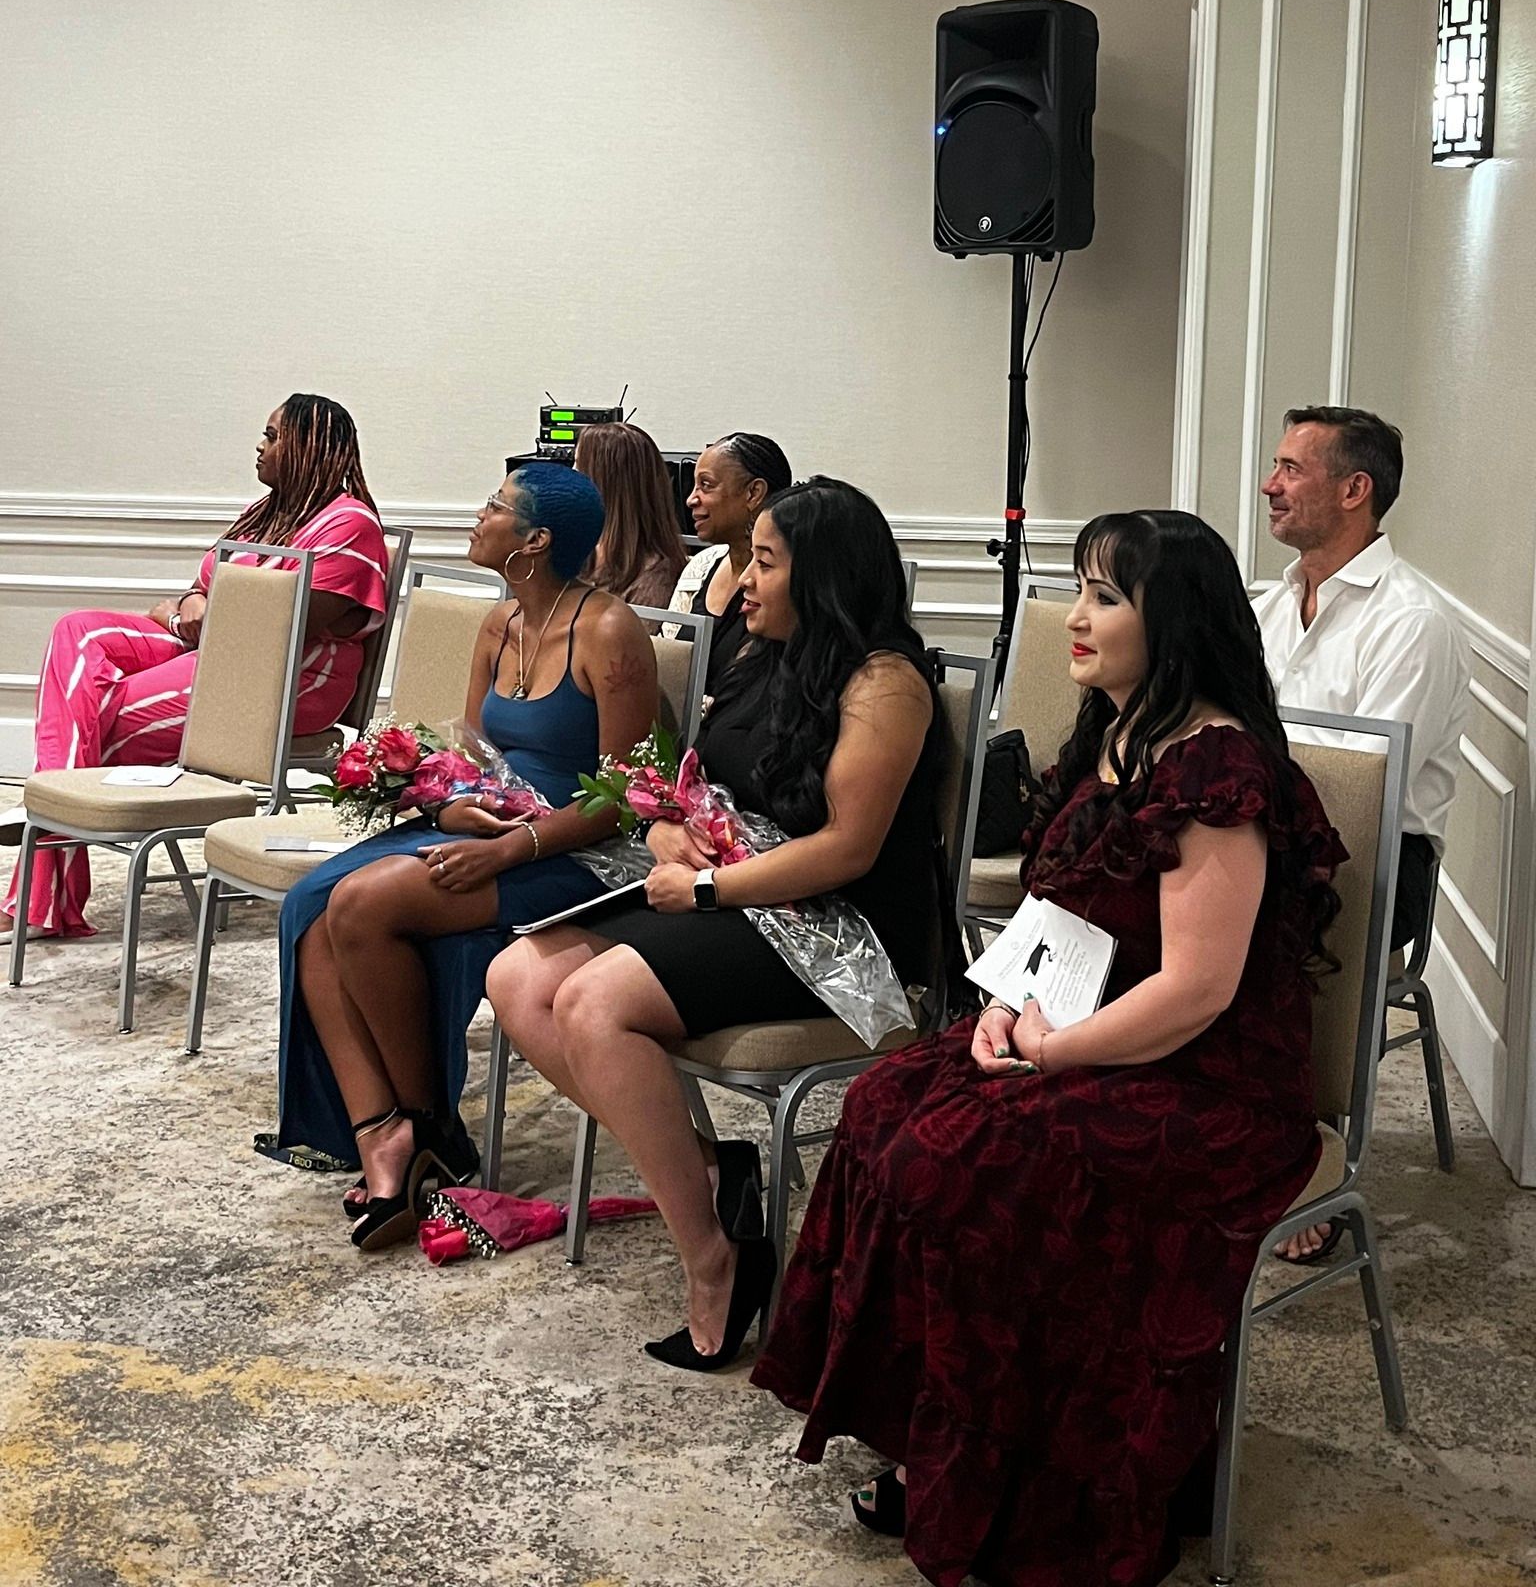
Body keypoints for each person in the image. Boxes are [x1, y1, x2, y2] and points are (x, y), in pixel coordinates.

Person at [752, 509, 1347, 1587]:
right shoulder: (1116, 735)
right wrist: (1001, 1007)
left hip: (1208, 1081)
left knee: (965, 1168)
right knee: (886, 1105)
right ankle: (939, 1443)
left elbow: (1199, 989)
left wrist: (1057, 1050)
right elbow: (1057, 920)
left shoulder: (1218, 767)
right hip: (1089, 1027)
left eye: (1106, 597)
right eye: (1080, 588)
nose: (1075, 617)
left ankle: (1029, 1487)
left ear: (1176, 621)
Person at [489, 476, 944, 1370]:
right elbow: (695, 783)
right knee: (517, 980)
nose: (747, 583)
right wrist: (664, 828)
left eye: (767, 564)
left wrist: (705, 892)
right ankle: (709, 1171)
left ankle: (714, 1256)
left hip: (832, 928)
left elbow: (848, 850)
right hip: (743, 896)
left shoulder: (886, 683)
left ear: (824, 577)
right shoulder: (766, 654)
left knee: (590, 1006)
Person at [270, 460, 657, 1250]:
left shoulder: (611, 630)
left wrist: (512, 848)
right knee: (309, 908)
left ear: (536, 540)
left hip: (574, 851)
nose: (477, 516)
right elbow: (474, 750)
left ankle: (430, 1129)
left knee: (363, 904)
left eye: (494, 507)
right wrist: (446, 803)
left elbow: (624, 794)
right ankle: (383, 1131)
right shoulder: (500, 623)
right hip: (493, 824)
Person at [2, 394, 388, 940]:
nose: (261, 445)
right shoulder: (268, 514)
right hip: (213, 654)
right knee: (77, 630)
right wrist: (190, 613)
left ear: (309, 447)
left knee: (89, 724)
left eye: (274, 436)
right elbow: (197, 597)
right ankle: (53, 810)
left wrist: (196, 614)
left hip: (282, 682)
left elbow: (276, 624)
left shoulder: (348, 524)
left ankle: (44, 844)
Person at [1254, 403, 1469, 1263]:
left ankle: (1309, 1152)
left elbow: (1356, 795)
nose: (1270, 485)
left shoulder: (1411, 623)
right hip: (1270, 832)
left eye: (1290, 470)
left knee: (1256, 929)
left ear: (1355, 489)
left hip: (1381, 860)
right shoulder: (1270, 605)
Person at [666, 432, 792, 691]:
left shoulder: (785, 585)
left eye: (706, 485)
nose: (691, 499)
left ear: (753, 493)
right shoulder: (701, 565)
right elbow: (665, 658)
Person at [572, 422, 689, 612]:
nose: (570, 476)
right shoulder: (573, 550)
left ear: (605, 482)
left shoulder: (655, 576)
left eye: (578, 467)